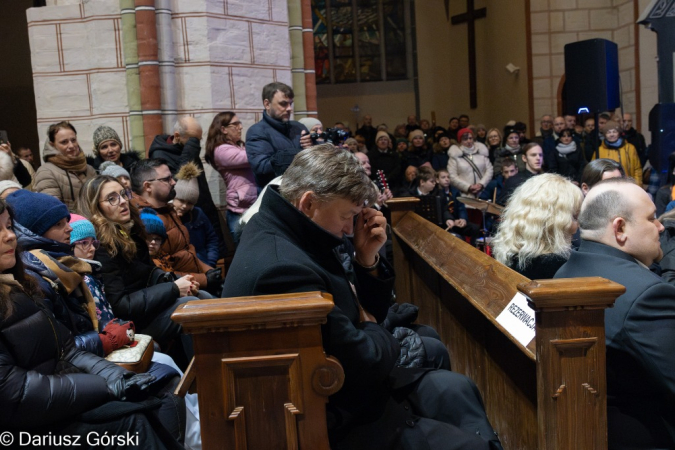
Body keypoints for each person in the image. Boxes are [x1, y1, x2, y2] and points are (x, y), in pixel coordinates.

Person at [222, 144, 502, 450]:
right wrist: (368, 322)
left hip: (347, 385)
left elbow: (364, 316)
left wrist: (366, 260)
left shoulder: (290, 225)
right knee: (468, 441)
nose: (348, 228)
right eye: (346, 216)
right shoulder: (283, 268)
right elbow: (365, 359)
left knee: (458, 388)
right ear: (308, 202)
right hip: (331, 417)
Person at [0, 198, 185, 448]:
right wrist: (106, 387)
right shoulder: (38, 278)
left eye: (9, 226)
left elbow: (67, 350)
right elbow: (16, 393)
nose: (10, 236)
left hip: (58, 399)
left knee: (155, 394)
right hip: (24, 428)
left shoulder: (20, 285)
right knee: (133, 421)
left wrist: (118, 378)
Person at [554, 178, 675, 449]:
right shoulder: (645, 294)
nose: (661, 226)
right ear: (620, 228)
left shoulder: (567, 269)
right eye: (652, 218)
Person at [79, 175, 201, 370]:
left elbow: (146, 274)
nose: (122, 201)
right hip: (129, 324)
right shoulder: (101, 246)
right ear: (97, 207)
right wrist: (173, 289)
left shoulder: (130, 229)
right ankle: (207, 380)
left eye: (123, 194)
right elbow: (119, 305)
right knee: (191, 309)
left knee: (203, 296)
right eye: (112, 198)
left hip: (146, 310)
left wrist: (176, 281)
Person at [129, 159, 223, 295]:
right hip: (178, 290)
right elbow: (162, 271)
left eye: (172, 177)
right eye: (166, 179)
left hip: (194, 282)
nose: (173, 182)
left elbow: (186, 252)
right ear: (148, 186)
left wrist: (209, 271)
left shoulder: (167, 209)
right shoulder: (147, 220)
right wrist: (205, 279)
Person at [148, 116, 227, 259]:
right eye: (193, 139)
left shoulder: (188, 148)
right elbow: (173, 189)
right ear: (177, 136)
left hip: (201, 215)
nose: (197, 144)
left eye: (198, 139)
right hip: (181, 221)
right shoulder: (160, 154)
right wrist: (190, 151)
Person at [492, 174, 582, 279]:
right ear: (553, 224)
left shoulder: (510, 255)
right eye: (574, 217)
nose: (578, 225)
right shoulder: (556, 267)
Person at [245, 82, 312, 187]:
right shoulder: (257, 131)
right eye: (283, 104)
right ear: (267, 104)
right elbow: (261, 167)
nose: (289, 108)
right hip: (276, 195)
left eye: (291, 103)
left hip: (302, 190)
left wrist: (312, 148)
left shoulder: (299, 127)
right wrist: (301, 154)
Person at [204, 111, 258, 241]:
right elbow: (251, 157)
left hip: (249, 206)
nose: (240, 127)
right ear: (223, 129)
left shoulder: (237, 147)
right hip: (240, 211)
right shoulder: (221, 150)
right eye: (235, 124)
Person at [33, 121, 96, 211]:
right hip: (70, 223)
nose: (71, 146)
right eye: (64, 142)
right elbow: (53, 209)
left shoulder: (89, 169)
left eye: (73, 140)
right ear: (52, 145)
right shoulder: (46, 171)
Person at [173, 162, 220, 267]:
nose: (184, 206)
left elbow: (212, 239)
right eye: (181, 201)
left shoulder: (198, 214)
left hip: (203, 264)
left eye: (189, 203)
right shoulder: (167, 216)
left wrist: (211, 262)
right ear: (174, 198)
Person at [447, 128, 493, 198]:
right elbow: (452, 176)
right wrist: (468, 187)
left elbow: (489, 170)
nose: (469, 141)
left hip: (482, 194)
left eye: (470, 138)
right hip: (464, 195)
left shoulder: (481, 152)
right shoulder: (455, 156)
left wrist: (481, 184)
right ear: (460, 141)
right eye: (465, 139)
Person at [592, 120, 642, 185]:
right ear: (605, 135)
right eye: (608, 132)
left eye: (614, 132)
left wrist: (636, 185)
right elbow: (594, 171)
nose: (612, 134)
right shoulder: (599, 151)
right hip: (607, 186)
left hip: (628, 185)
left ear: (619, 133)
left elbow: (637, 169)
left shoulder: (630, 148)